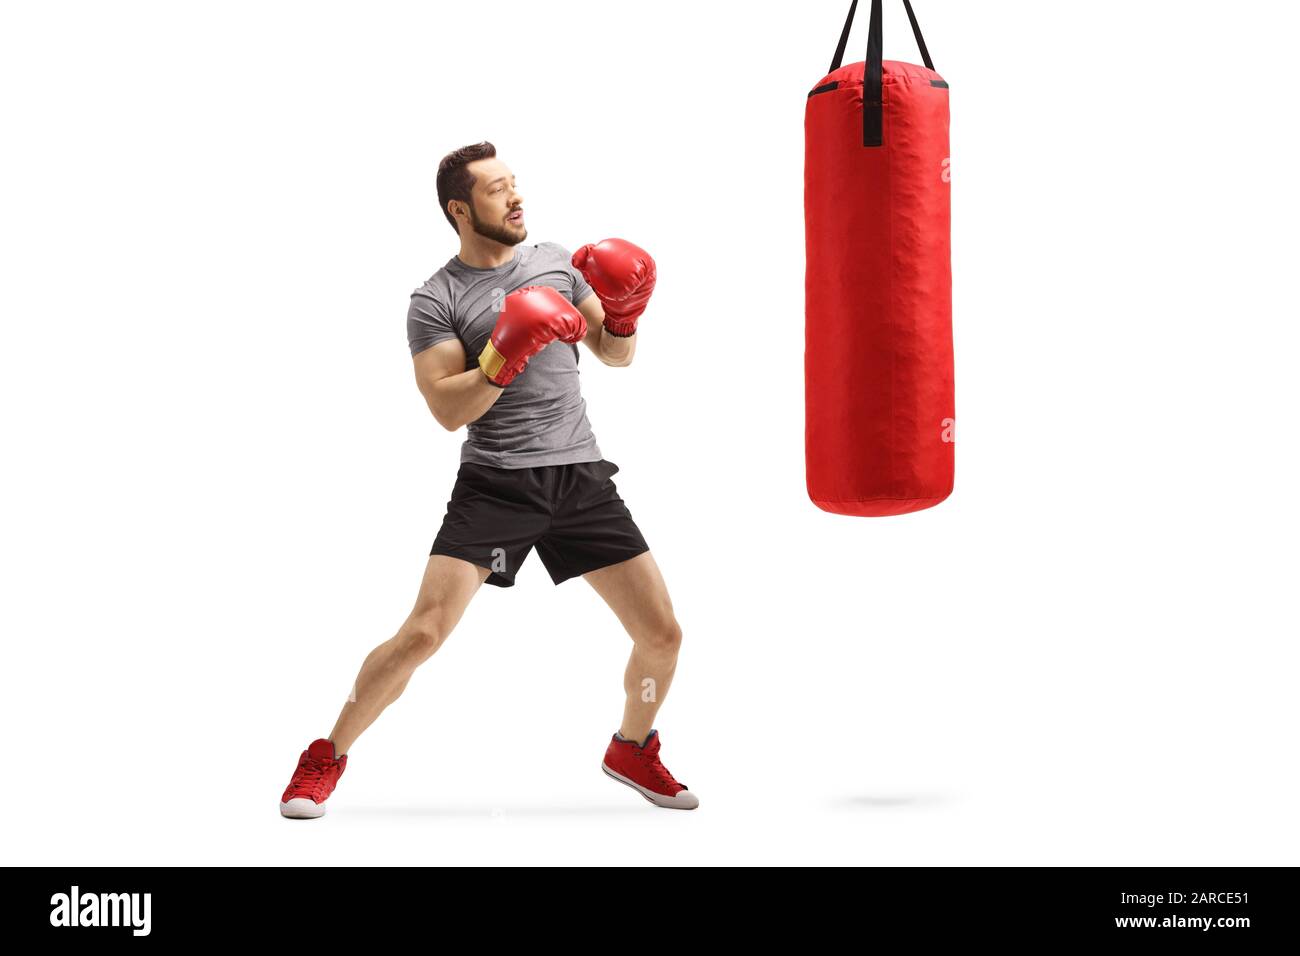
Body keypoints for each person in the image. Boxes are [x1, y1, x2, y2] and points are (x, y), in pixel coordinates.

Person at [279, 141, 697, 818]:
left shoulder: (558, 263)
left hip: (580, 478)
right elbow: (447, 409)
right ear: (461, 209)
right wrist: (505, 351)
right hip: (498, 485)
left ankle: (632, 745)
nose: (517, 197)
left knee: (663, 635)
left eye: (515, 184)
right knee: (422, 633)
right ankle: (324, 756)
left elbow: (615, 356)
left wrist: (624, 316)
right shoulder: (435, 298)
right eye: (498, 190)